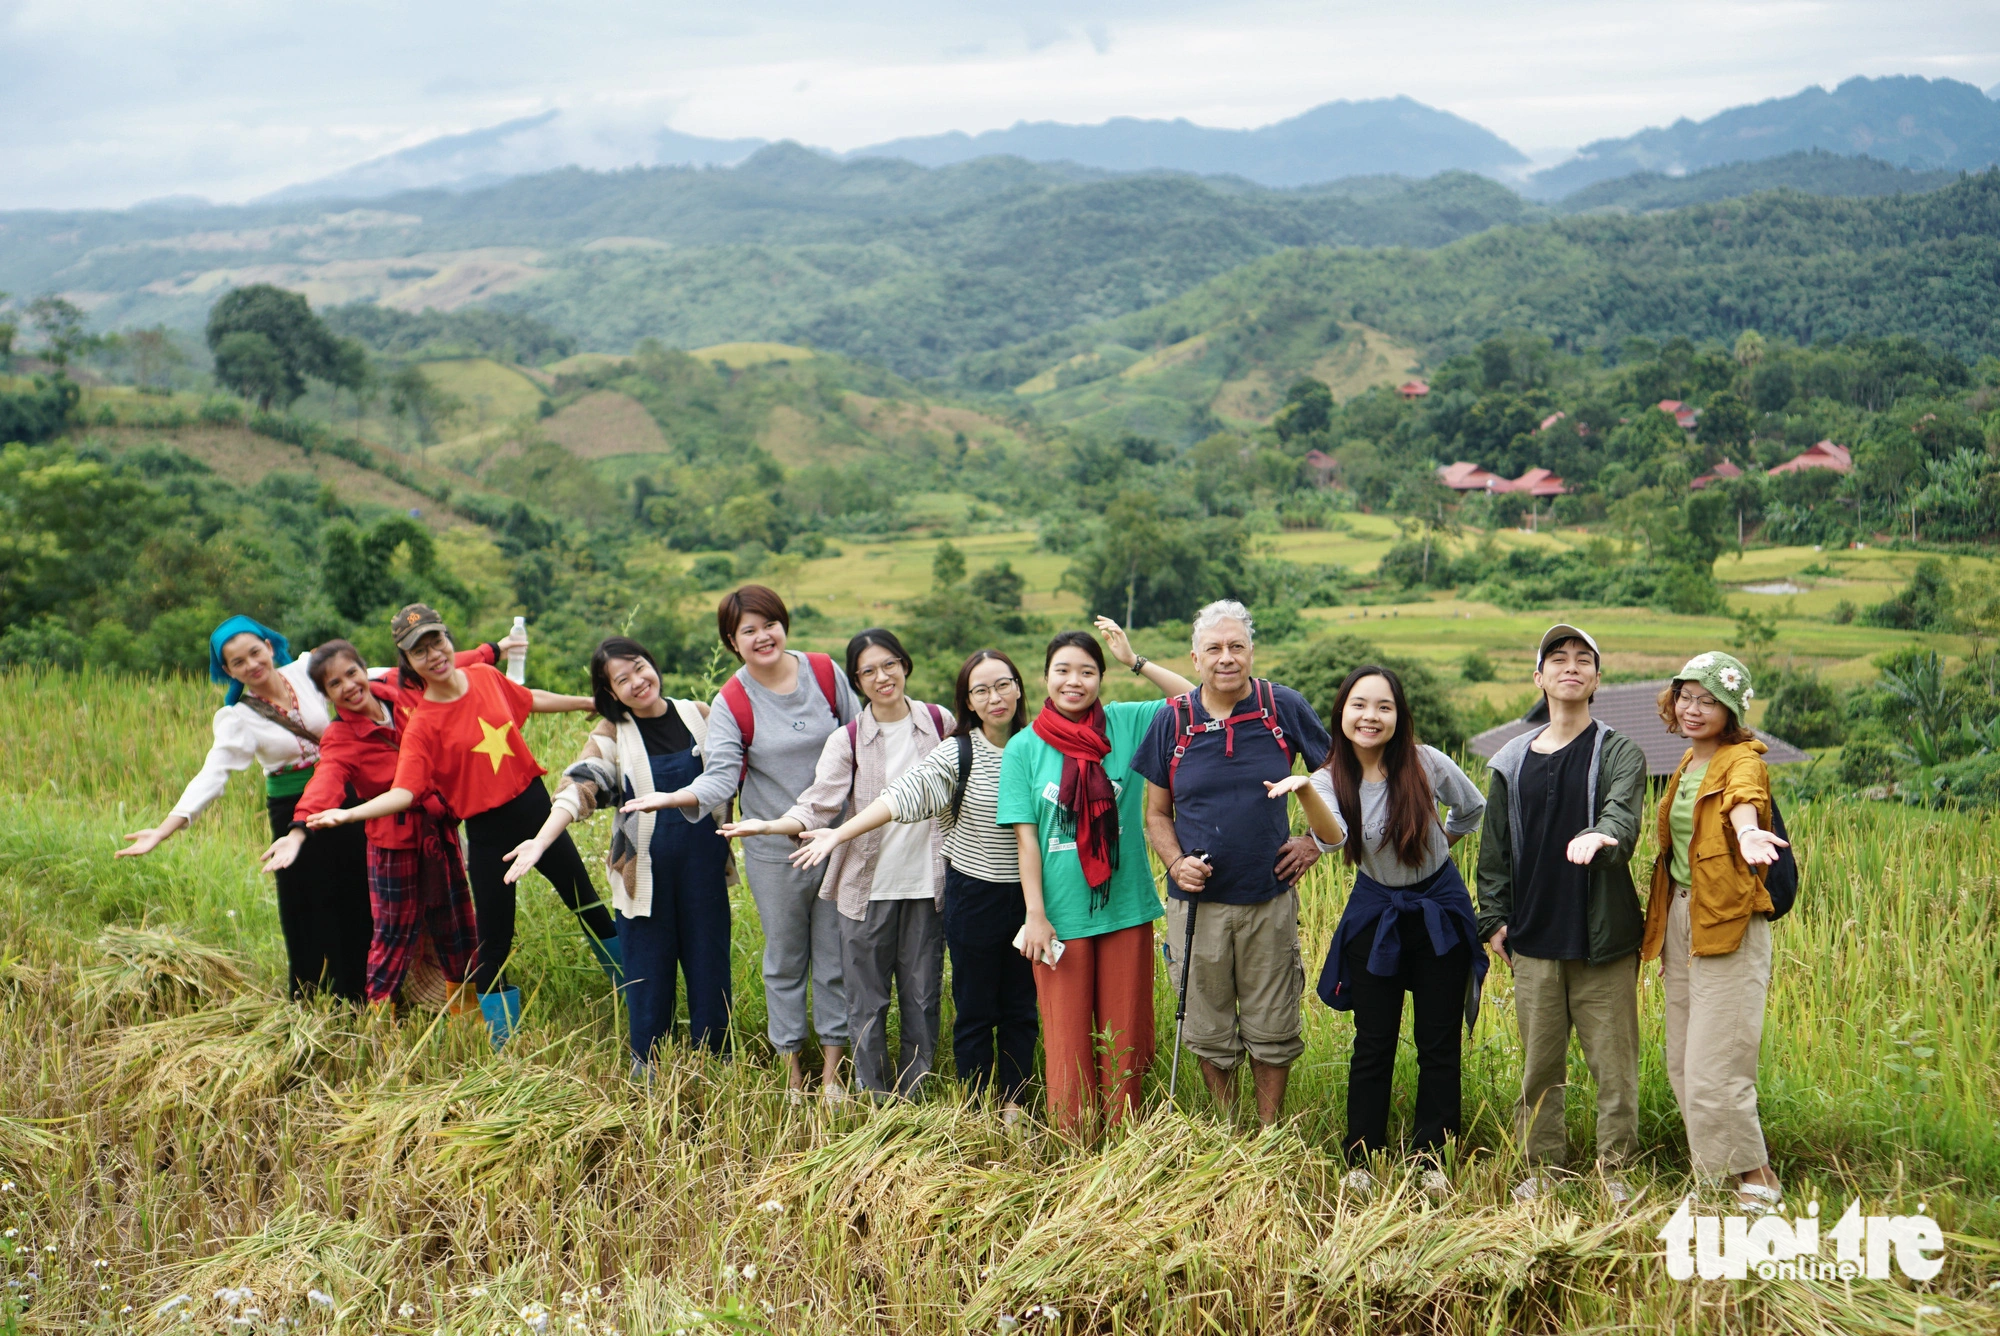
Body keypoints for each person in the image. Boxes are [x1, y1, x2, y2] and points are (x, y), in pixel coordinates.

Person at [304, 604, 605, 1047]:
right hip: (485, 833)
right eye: (419, 651)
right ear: (406, 663)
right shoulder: (422, 724)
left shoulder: (484, 677)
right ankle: (504, 1045)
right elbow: (404, 792)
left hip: (536, 812)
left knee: (587, 904)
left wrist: (587, 702)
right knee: (494, 940)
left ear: (448, 639)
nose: (434, 655)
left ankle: (636, 994)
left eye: (436, 642)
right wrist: (348, 813)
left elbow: (526, 699)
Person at [620, 585, 861, 1100]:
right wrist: (672, 797)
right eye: (747, 630)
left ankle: (835, 1075)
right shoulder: (732, 699)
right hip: (774, 849)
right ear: (732, 641)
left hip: (837, 838)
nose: (762, 636)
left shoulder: (822, 672)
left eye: (768, 624)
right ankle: (793, 1073)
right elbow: (722, 775)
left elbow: (860, 738)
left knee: (837, 957)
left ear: (783, 624)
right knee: (786, 958)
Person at [791, 648, 1036, 1120]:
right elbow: (906, 792)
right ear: (968, 701)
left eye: (1002, 684)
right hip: (972, 892)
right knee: (975, 1009)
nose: (994, 697)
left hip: (1031, 899)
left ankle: (1016, 1104)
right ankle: (973, 1108)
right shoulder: (955, 748)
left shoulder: (1037, 746)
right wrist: (841, 832)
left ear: (1020, 686)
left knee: (1019, 1008)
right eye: (980, 690)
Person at [723, 629, 949, 1100]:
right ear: (856, 682)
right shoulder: (846, 739)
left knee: (923, 997)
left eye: (889, 664)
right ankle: (873, 1094)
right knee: (865, 999)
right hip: (865, 886)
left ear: (905, 664)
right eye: (868, 671)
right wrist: (770, 825)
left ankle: (916, 1095)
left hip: (929, 882)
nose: (882, 677)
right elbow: (818, 803)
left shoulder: (939, 722)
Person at [1287, 665, 1486, 1193]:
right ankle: (1361, 1158)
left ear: (1399, 716)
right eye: (1359, 705)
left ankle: (1432, 1159)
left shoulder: (1426, 763)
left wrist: (1445, 844)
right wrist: (1305, 789)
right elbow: (1331, 838)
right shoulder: (1329, 779)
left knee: (1438, 1042)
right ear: (1341, 713)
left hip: (1438, 908)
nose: (1370, 716)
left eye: (1383, 706)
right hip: (1376, 912)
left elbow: (1472, 807)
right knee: (1373, 1040)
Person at [1132, 600, 1329, 1125]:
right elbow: (1154, 813)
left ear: (1251, 653)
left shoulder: (1281, 706)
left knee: (1273, 1023)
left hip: (1269, 896)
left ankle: (1266, 1132)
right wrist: (1175, 864)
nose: (1226, 658)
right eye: (1214, 649)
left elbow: (1335, 776)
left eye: (1236, 646)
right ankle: (1226, 1129)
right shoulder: (1171, 719)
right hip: (1197, 904)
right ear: (1195, 659)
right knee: (1207, 1025)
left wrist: (1314, 841)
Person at [998, 618, 1195, 1134]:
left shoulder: (1128, 725)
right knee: (1066, 1042)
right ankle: (1074, 1145)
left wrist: (1137, 660)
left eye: (1087, 671)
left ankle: (1124, 1143)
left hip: (1124, 907)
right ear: (1044, 678)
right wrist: (1035, 916)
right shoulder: (1023, 748)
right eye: (1062, 670)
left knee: (1124, 1036)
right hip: (1059, 919)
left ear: (1101, 679)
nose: (1074, 681)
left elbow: (1195, 699)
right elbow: (1026, 840)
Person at [1474, 625, 1649, 1202]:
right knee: (1539, 1069)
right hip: (1534, 939)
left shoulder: (1620, 751)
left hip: (1604, 939)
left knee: (1614, 1067)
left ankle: (1615, 1170)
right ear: (1539, 677)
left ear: (1597, 679)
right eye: (1557, 659)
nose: (1569, 667)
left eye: (1582, 660)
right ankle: (1541, 1170)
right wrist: (1493, 920)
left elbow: (1622, 817)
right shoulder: (1509, 761)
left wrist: (1602, 837)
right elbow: (1494, 851)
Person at [502, 636, 733, 1068]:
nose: (637, 682)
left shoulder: (699, 715)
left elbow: (737, 770)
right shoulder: (614, 733)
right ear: (610, 692)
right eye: (622, 679)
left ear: (653, 664)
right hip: (641, 881)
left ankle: (716, 1065)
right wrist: (542, 838)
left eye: (640, 667)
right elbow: (580, 785)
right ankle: (647, 1071)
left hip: (704, 873)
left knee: (711, 972)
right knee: (647, 978)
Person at [117, 616, 374, 1002]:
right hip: (292, 811)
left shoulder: (306, 670)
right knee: (309, 904)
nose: (251, 664)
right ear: (227, 670)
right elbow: (212, 773)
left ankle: (368, 989)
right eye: (238, 662)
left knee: (360, 890)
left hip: (343, 796)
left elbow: (374, 678)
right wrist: (163, 829)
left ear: (269, 647)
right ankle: (315, 1001)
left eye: (255, 652)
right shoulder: (239, 716)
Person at [262, 637, 497, 1013]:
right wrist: (299, 827)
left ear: (364, 669)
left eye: (352, 673)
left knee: (456, 923)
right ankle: (378, 1022)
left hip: (439, 830)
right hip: (393, 843)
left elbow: (449, 663)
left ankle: (466, 1015)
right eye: (334, 684)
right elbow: (325, 780)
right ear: (326, 695)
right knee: (392, 935)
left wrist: (493, 650)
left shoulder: (399, 688)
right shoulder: (341, 737)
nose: (348, 687)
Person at [1641, 652, 1789, 1214]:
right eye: (1686, 697)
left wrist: (1750, 835)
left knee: (1718, 1060)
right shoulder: (1686, 763)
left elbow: (1743, 804)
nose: (1694, 709)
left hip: (1727, 917)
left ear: (1731, 711)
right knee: (1681, 1057)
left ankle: (1758, 1176)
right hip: (1679, 916)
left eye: (1709, 701)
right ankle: (1718, 1174)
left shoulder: (1740, 759)